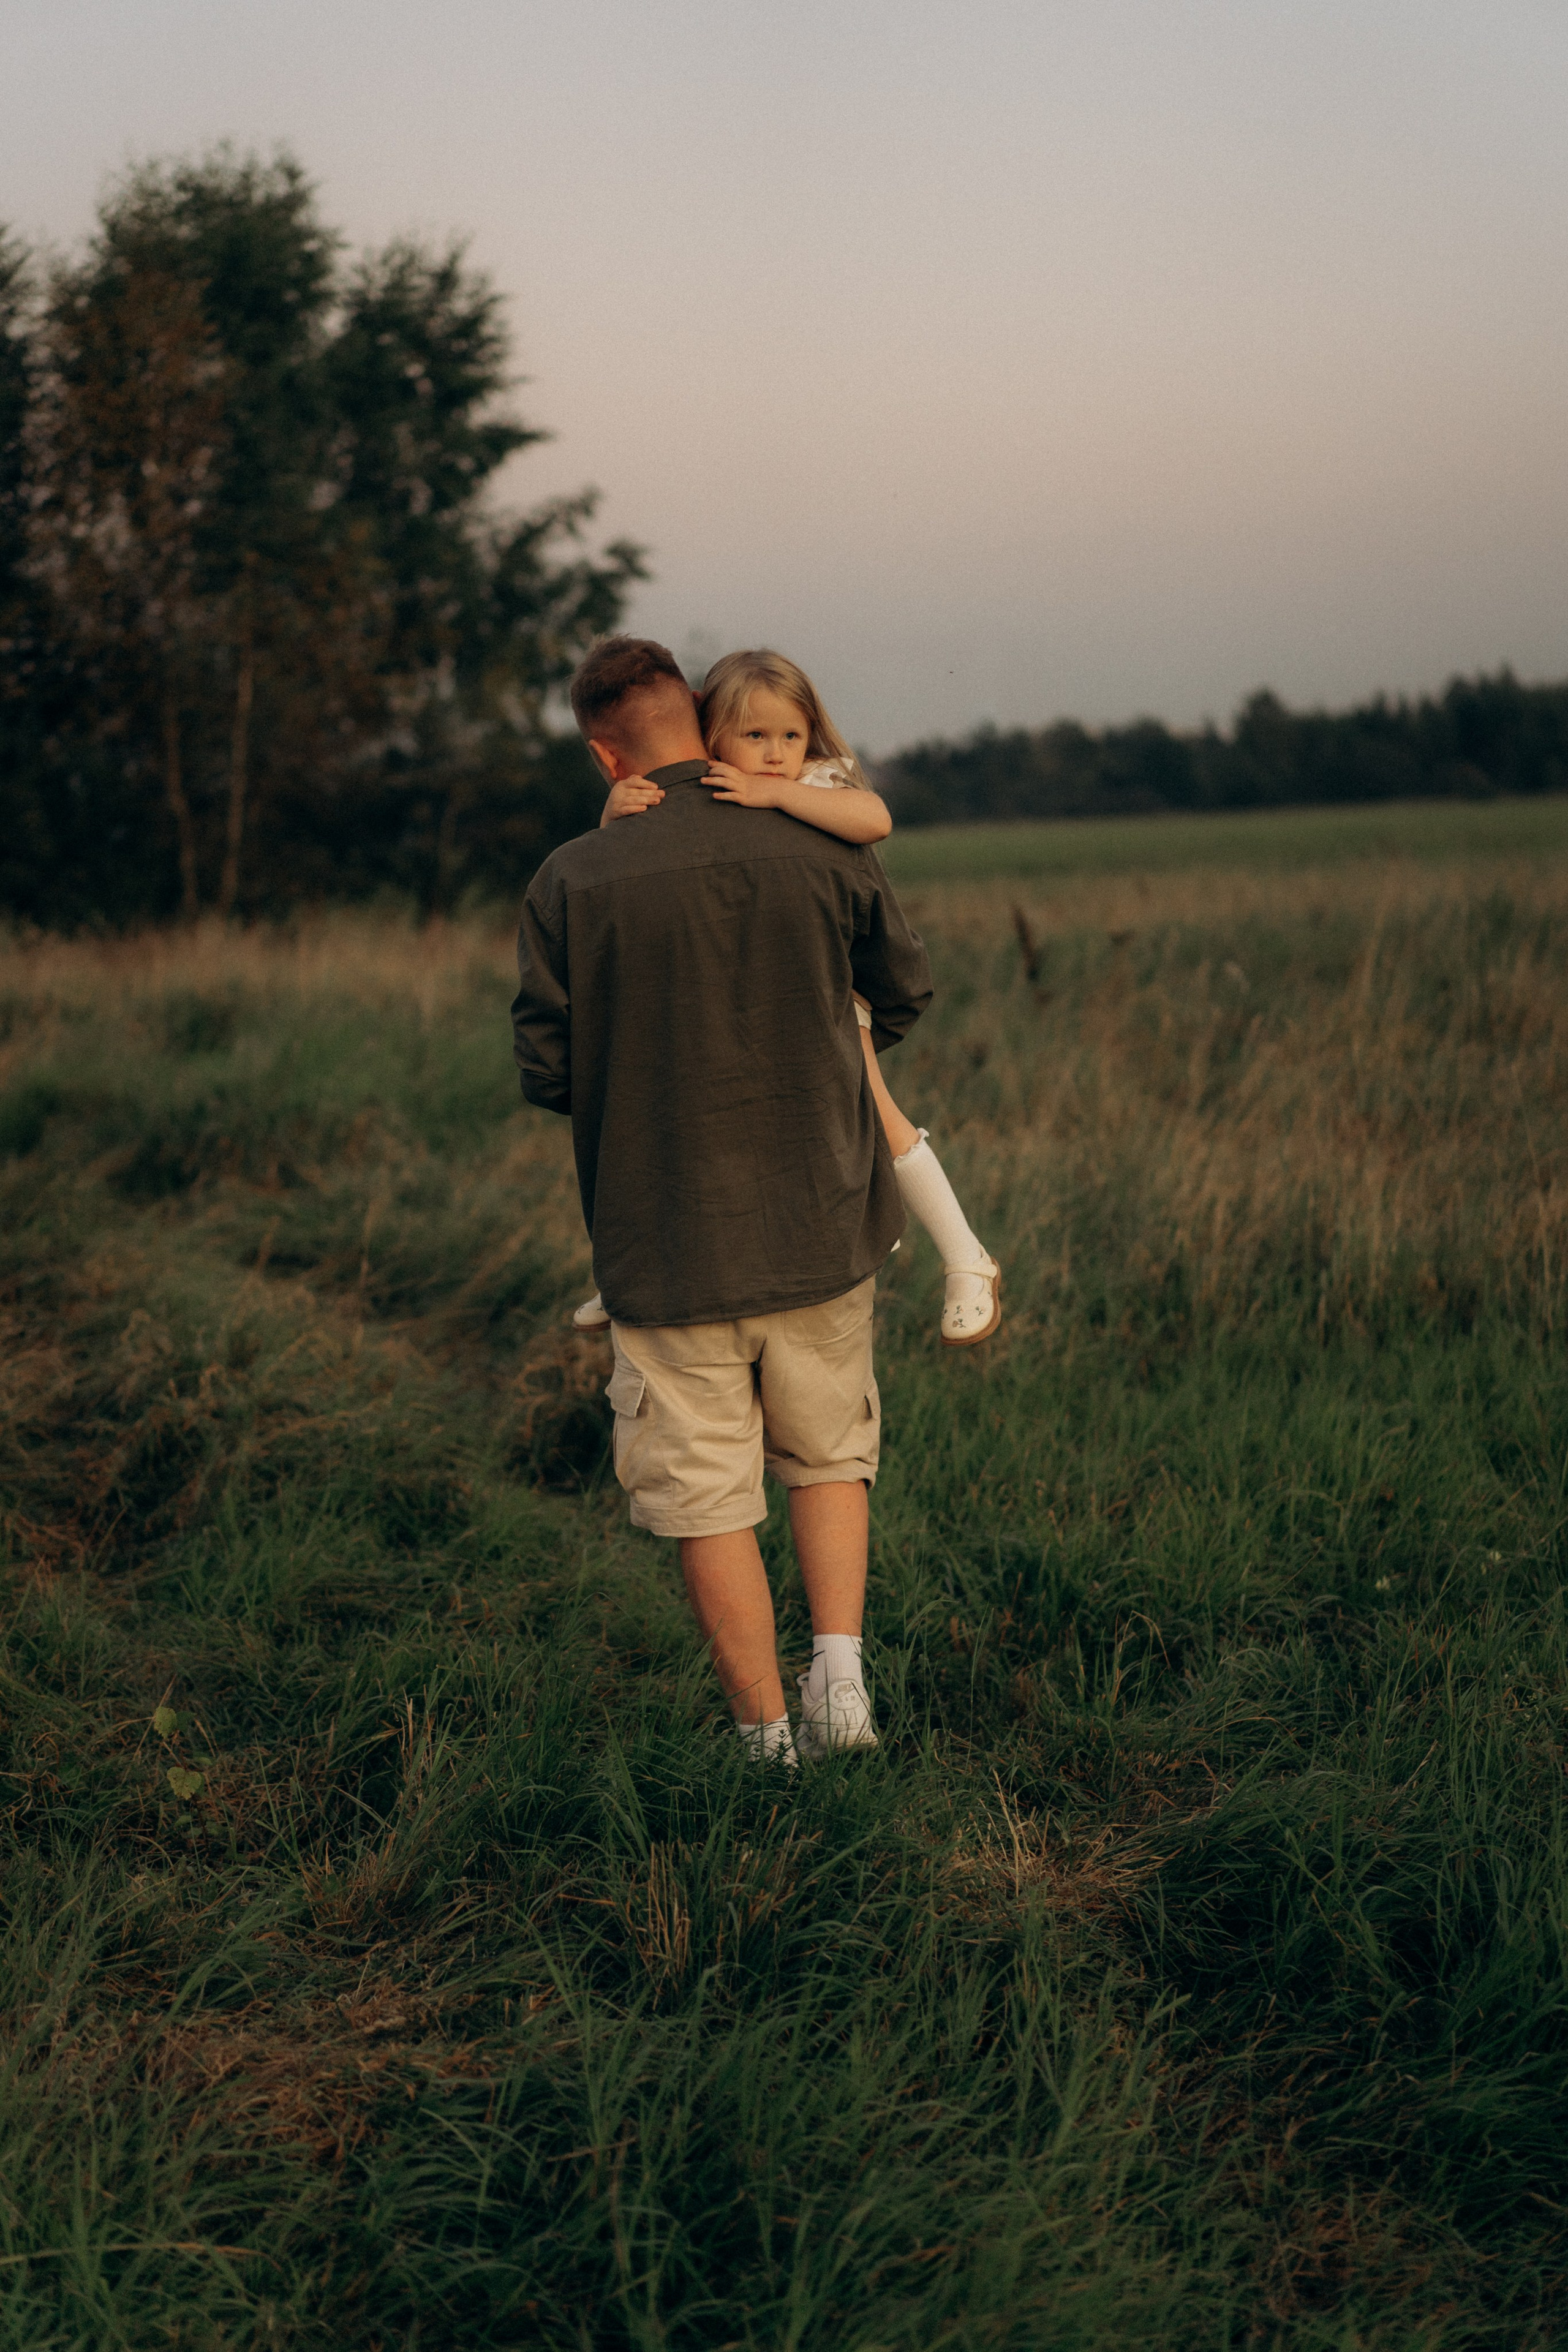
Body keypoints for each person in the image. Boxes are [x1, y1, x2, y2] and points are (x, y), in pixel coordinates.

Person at [511, 635, 933, 1763]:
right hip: (821, 1220)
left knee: (706, 1497)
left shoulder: (568, 880)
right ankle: (843, 1686)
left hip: (662, 1245)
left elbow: (548, 1072)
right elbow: (899, 991)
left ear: (608, 755)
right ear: (701, 724)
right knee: (829, 1454)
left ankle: (765, 1744)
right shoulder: (811, 837)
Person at [573, 647, 1000, 1348]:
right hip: (762, 985)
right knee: (701, 1121)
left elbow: (874, 819)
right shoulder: (706, 789)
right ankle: (630, 1269)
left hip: (828, 992)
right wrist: (612, 814)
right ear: (711, 736)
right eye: (755, 737)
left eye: (790, 736)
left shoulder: (810, 781)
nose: (775, 755)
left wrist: (781, 795)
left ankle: (965, 1259)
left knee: (878, 1115)